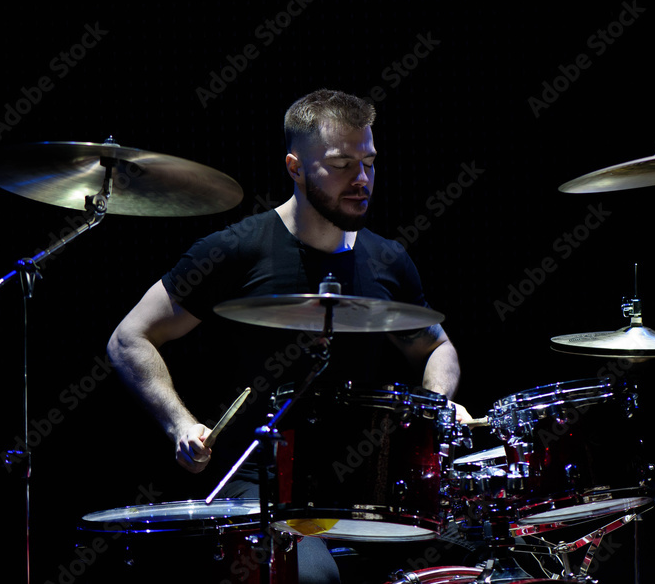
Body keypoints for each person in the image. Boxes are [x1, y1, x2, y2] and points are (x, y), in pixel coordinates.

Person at [106, 88, 471, 582]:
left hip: (370, 486)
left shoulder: (388, 258)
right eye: (342, 164)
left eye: (369, 162)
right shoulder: (234, 250)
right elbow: (130, 338)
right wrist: (180, 425)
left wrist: (434, 410)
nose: (361, 179)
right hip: (262, 487)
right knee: (313, 577)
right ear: (295, 167)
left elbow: (437, 347)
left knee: (469, 557)